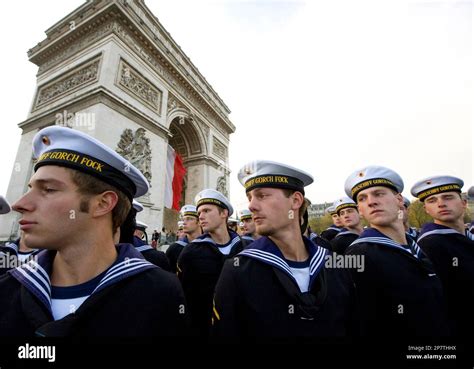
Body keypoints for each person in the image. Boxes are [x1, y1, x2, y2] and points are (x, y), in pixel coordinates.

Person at [0, 126, 187, 336]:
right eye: (30, 188)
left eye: (49, 189)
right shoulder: (6, 289)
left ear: (102, 203)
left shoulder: (162, 294)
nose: (19, 204)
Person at [212, 160, 356, 340]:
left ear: (295, 200)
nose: (251, 206)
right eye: (250, 198)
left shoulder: (336, 265)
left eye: (262, 195)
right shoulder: (237, 271)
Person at [343, 165, 449, 338]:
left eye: (379, 194)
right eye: (362, 199)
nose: (371, 201)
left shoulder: (416, 247)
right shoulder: (359, 255)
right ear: (360, 210)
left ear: (399, 199)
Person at [177, 189, 249, 337]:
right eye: (199, 213)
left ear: (224, 213)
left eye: (207, 211)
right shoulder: (190, 253)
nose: (201, 216)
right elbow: (183, 298)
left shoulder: (246, 249)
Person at [411, 175, 474, 338]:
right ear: (426, 209)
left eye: (448, 197)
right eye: (432, 200)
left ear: (464, 203)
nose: (441, 204)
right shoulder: (431, 244)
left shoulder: (467, 236)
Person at [166, 205, 202, 274]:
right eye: (183, 219)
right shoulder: (174, 248)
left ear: (199, 222)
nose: (184, 223)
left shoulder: (209, 246)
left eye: (189, 219)